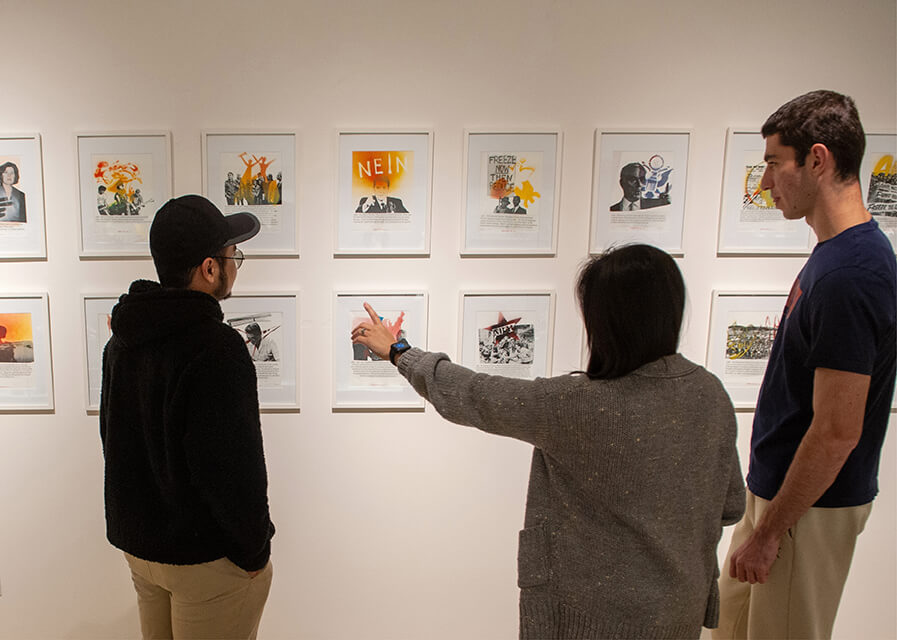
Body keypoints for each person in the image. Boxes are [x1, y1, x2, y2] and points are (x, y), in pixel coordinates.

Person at [352, 244, 745, 640]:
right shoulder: (710, 394)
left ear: (608, 322)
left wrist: (399, 351)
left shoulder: (580, 406)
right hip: (680, 613)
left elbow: (475, 395)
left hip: (587, 619)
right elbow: (731, 505)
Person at [714, 90, 897, 640]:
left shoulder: (852, 274)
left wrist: (771, 532)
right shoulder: (835, 255)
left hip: (804, 513)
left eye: (773, 163)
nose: (766, 182)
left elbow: (838, 429)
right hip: (777, 499)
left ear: (817, 159)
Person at [99, 194, 275, 639]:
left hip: (142, 551)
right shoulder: (216, 349)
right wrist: (255, 553)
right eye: (233, 255)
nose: (236, 263)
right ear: (209, 268)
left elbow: (113, 441)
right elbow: (234, 471)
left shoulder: (121, 342)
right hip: (203, 560)